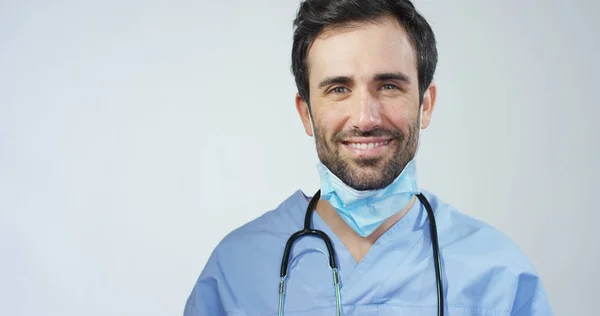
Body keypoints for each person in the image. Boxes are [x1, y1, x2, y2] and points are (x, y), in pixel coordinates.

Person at [184, 0, 553, 315]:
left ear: (425, 105)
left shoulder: (498, 275)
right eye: (338, 89)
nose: (365, 118)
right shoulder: (235, 272)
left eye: (389, 85)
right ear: (306, 113)